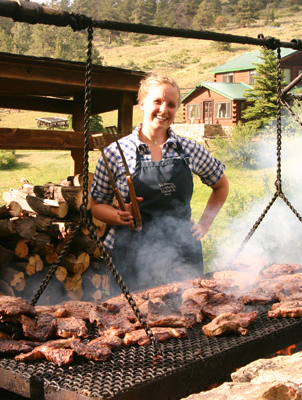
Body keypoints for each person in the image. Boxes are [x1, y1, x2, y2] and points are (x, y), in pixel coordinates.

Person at [90, 74, 229, 291]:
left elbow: (221, 186)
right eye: (158, 101)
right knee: (132, 320)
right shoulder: (115, 153)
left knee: (187, 315)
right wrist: (118, 215)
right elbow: (96, 205)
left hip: (182, 255)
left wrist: (204, 224)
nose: (164, 109)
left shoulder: (190, 150)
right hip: (131, 257)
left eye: (171, 105)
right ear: (142, 104)